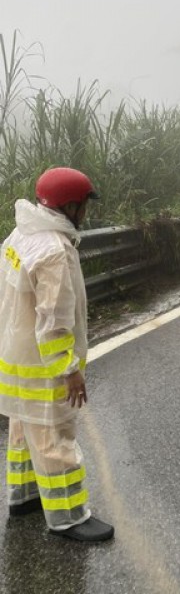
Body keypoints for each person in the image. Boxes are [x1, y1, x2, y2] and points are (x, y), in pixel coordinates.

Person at [0, 167, 114, 542]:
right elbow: (54, 322)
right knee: (54, 436)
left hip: (14, 360)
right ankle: (68, 517)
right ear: (70, 206)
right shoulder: (54, 251)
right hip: (42, 365)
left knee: (23, 427)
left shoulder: (22, 234)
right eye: (83, 205)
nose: (86, 212)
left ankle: (24, 497)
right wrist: (68, 370)